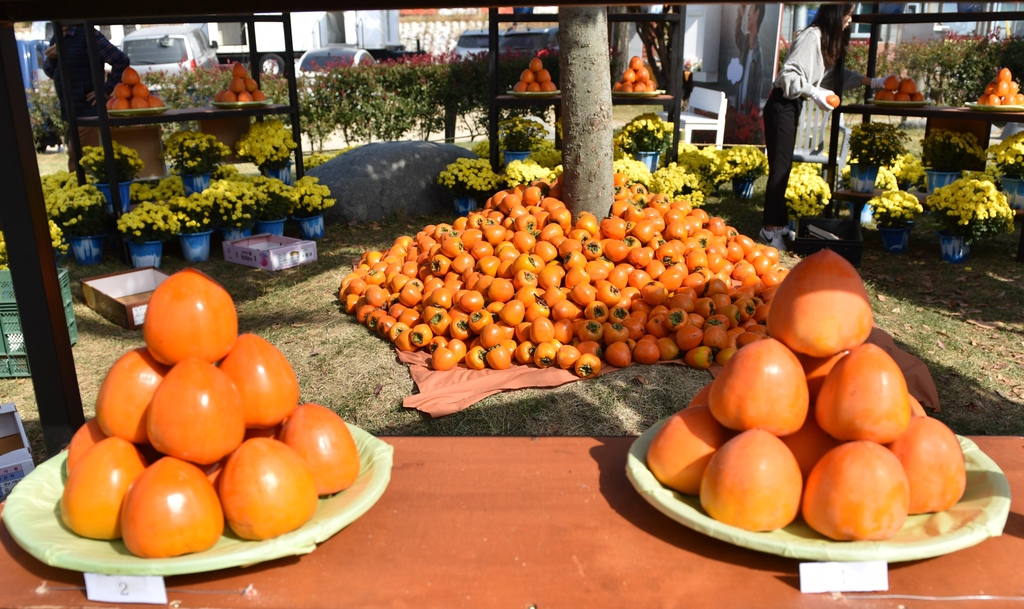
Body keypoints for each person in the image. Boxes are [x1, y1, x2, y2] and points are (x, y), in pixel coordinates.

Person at [759, 4, 894, 250]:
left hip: (791, 106)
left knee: (784, 168)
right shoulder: (812, 36)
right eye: (848, 13)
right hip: (782, 105)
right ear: (836, 13)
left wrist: (872, 82)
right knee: (780, 170)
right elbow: (787, 76)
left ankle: (780, 224)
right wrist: (813, 91)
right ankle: (770, 230)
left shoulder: (825, 41)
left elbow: (836, 76)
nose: (850, 20)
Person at [42, 26, 130, 172]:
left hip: (89, 109)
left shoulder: (88, 34)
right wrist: (51, 59)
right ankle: (83, 191)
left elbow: (121, 60)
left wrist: (104, 89)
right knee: (80, 157)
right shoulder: (57, 37)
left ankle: (86, 191)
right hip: (70, 111)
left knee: (79, 156)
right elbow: (50, 70)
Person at [735, 4, 765, 111]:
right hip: (738, 111)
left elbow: (756, 94)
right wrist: (741, 10)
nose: (748, 14)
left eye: (751, 9)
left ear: (757, 14)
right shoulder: (745, 42)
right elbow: (737, 33)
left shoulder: (758, 56)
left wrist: (752, 120)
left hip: (747, 116)